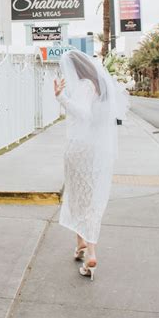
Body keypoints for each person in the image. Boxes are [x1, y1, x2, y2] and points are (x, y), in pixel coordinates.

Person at [54, 50, 127, 281]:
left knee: (79, 199)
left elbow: (83, 114)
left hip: (79, 150)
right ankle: (82, 246)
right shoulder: (100, 86)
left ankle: (90, 250)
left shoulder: (85, 86)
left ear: (75, 69)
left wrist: (61, 97)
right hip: (96, 150)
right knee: (88, 198)